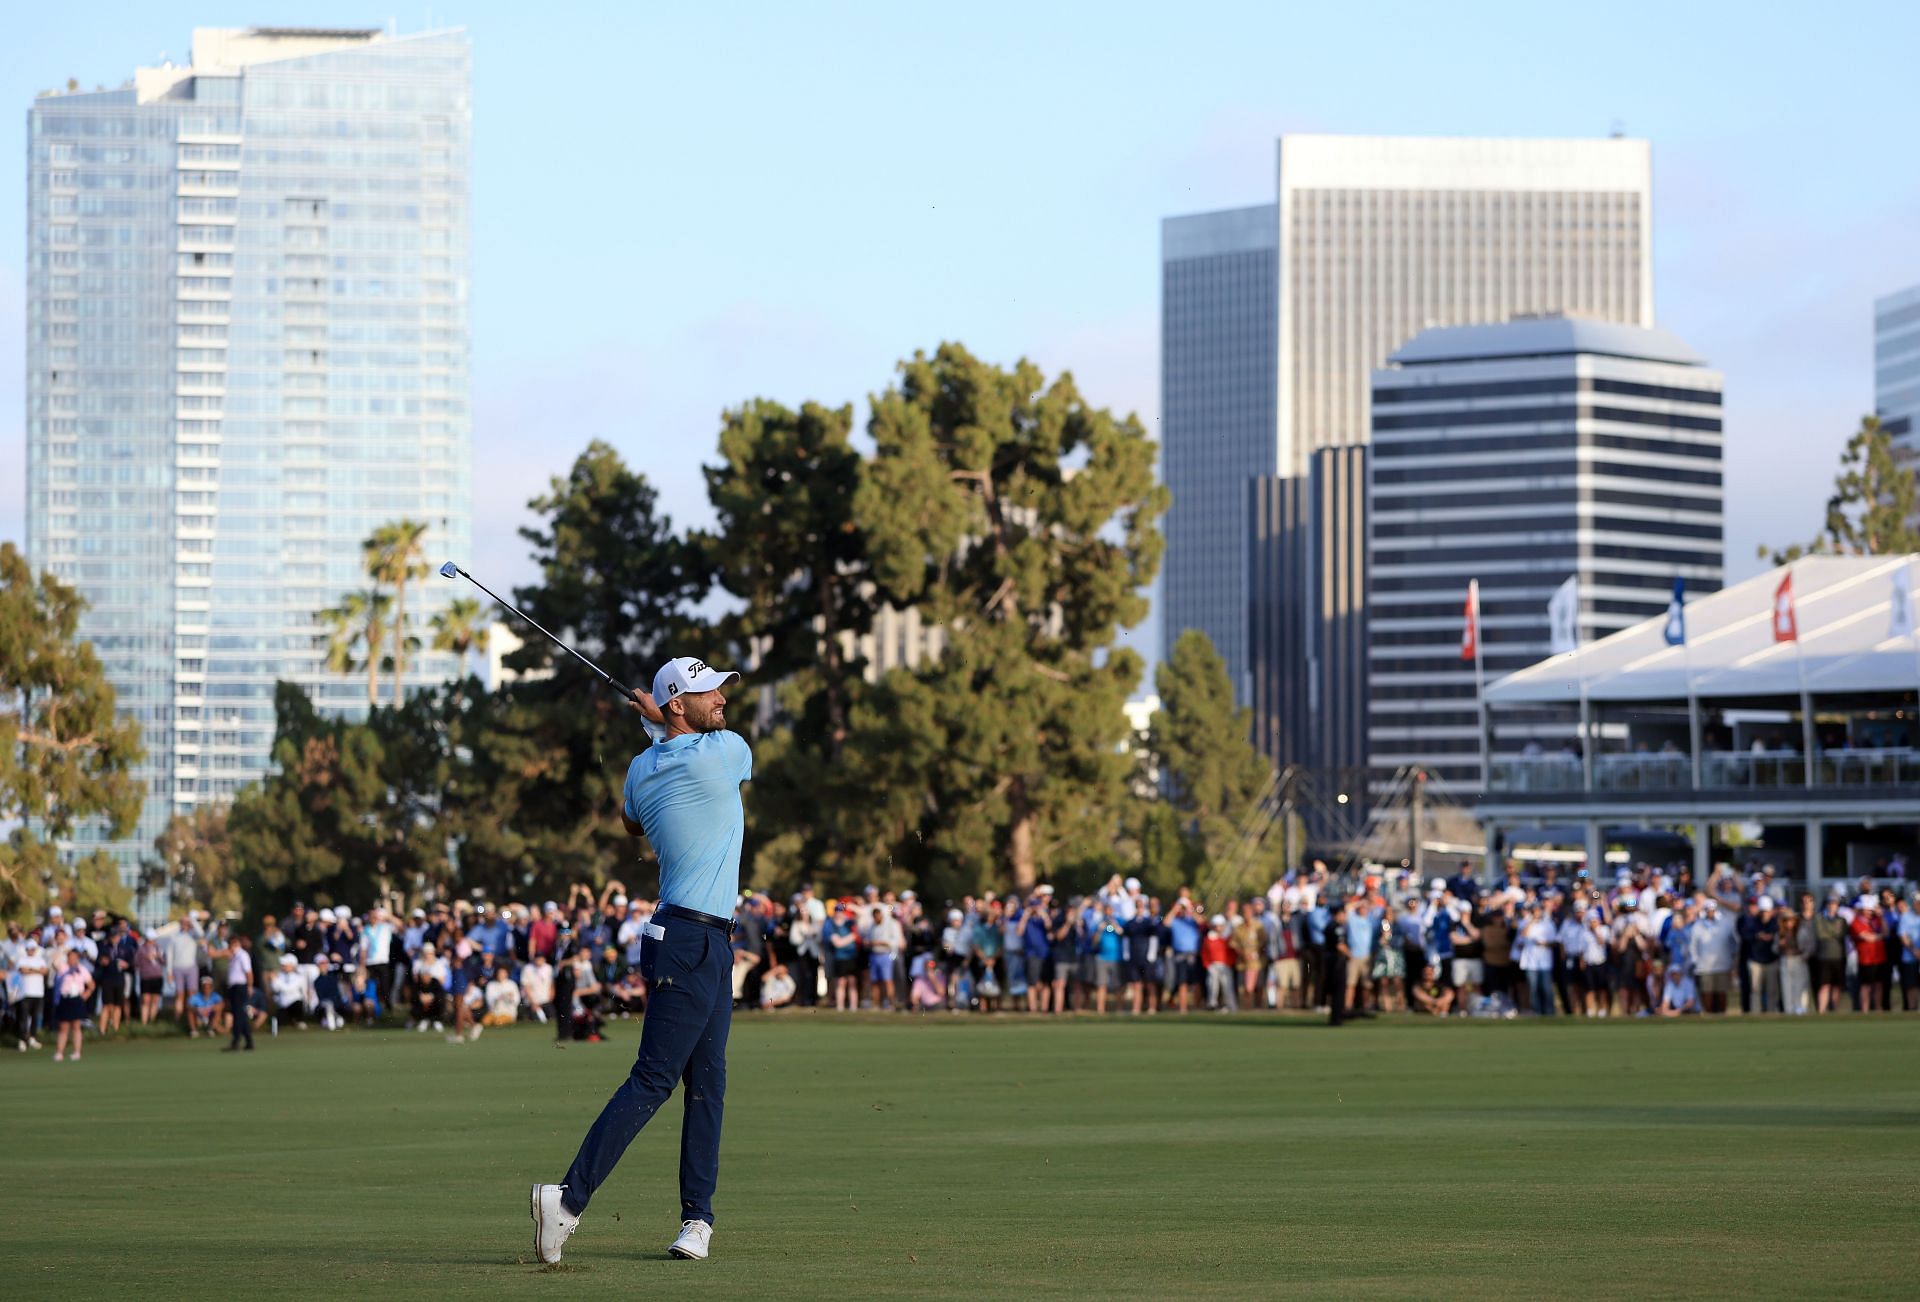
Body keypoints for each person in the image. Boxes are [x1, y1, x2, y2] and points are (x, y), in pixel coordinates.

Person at [534, 656, 750, 1266]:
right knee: (656, 1078)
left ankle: (696, 1221)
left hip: (688, 936)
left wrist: (657, 735)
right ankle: (568, 1199)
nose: (723, 700)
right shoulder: (723, 752)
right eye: (711, 692)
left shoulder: (638, 770)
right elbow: (709, 749)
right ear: (679, 703)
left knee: (707, 1084)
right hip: (691, 939)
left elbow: (632, 826)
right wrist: (662, 727)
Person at [50, 948, 94, 1062]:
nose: (72, 959)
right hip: (65, 999)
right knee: (63, 1027)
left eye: (74, 957)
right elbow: (54, 962)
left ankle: (76, 1052)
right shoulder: (63, 968)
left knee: (76, 1026)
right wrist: (62, 950)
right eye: (70, 957)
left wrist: (86, 994)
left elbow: (91, 985)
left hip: (77, 999)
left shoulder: (82, 969)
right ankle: (59, 1052)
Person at [12, 937, 48, 1050]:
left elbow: (45, 971)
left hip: (38, 993)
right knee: (23, 1017)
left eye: (33, 948)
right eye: (29, 948)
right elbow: (23, 970)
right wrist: (36, 970)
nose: (31, 950)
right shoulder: (22, 959)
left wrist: (31, 970)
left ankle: (32, 1037)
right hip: (25, 993)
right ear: (26, 949)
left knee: (36, 1016)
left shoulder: (40, 960)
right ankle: (22, 1039)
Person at [221, 935, 255, 1052]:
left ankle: (235, 1041)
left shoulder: (242, 955)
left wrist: (249, 986)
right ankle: (249, 1041)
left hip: (240, 987)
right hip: (234, 987)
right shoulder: (234, 956)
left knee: (238, 1015)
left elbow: (248, 972)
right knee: (240, 1014)